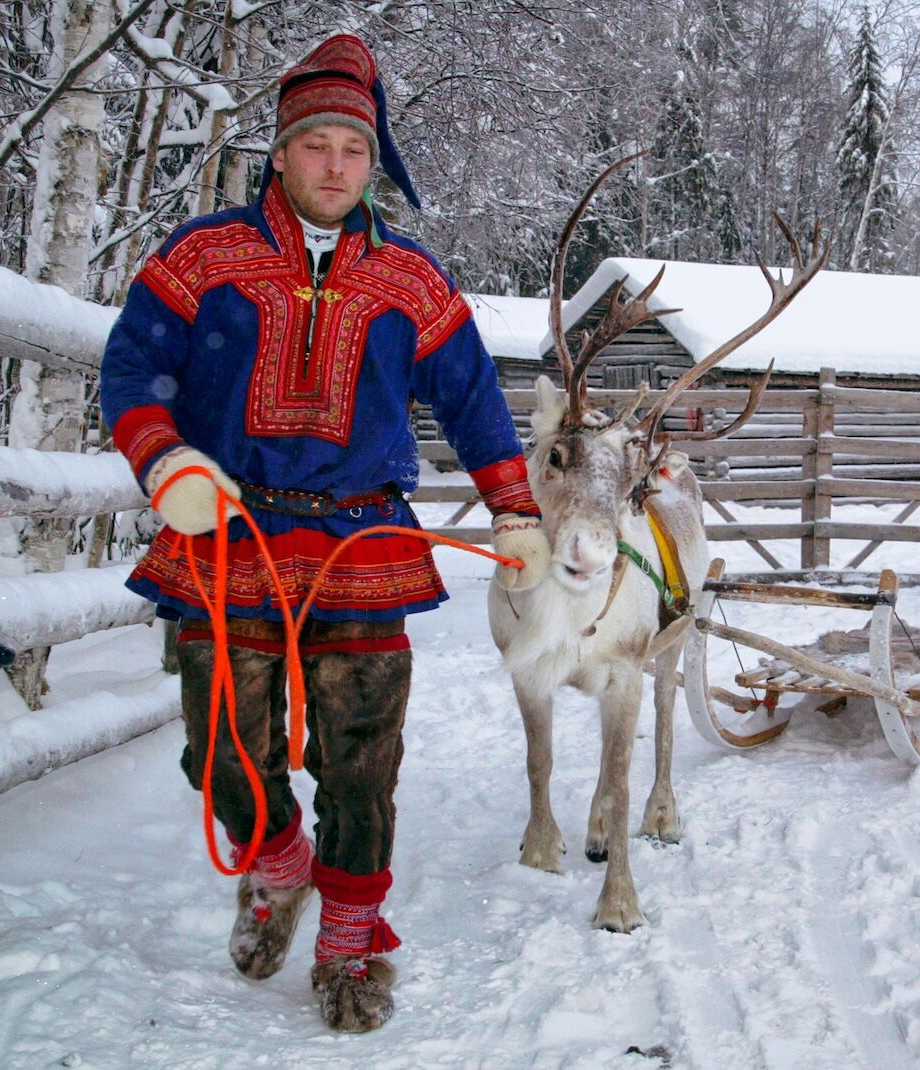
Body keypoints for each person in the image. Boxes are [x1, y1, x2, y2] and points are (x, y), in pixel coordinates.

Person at [99, 33, 548, 1033]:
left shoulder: (412, 279)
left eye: (353, 149)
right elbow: (129, 372)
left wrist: (514, 508)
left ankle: (350, 935)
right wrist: (166, 460)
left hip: (363, 539)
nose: (336, 166)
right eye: (317, 146)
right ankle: (278, 861)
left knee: (361, 757)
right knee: (221, 747)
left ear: (370, 160)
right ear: (281, 151)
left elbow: (472, 399)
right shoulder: (201, 257)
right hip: (231, 531)